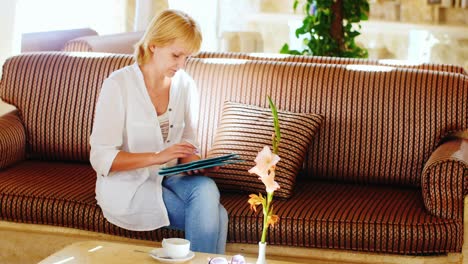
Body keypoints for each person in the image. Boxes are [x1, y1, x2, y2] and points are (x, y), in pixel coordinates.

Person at [89, 9, 228, 254]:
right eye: (176, 55)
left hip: (171, 176)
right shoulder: (118, 85)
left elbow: (188, 141)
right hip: (129, 186)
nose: (182, 64)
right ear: (153, 45)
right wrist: (158, 156)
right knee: (218, 216)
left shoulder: (184, 84)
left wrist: (195, 163)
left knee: (206, 187)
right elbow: (101, 157)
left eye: (187, 57)